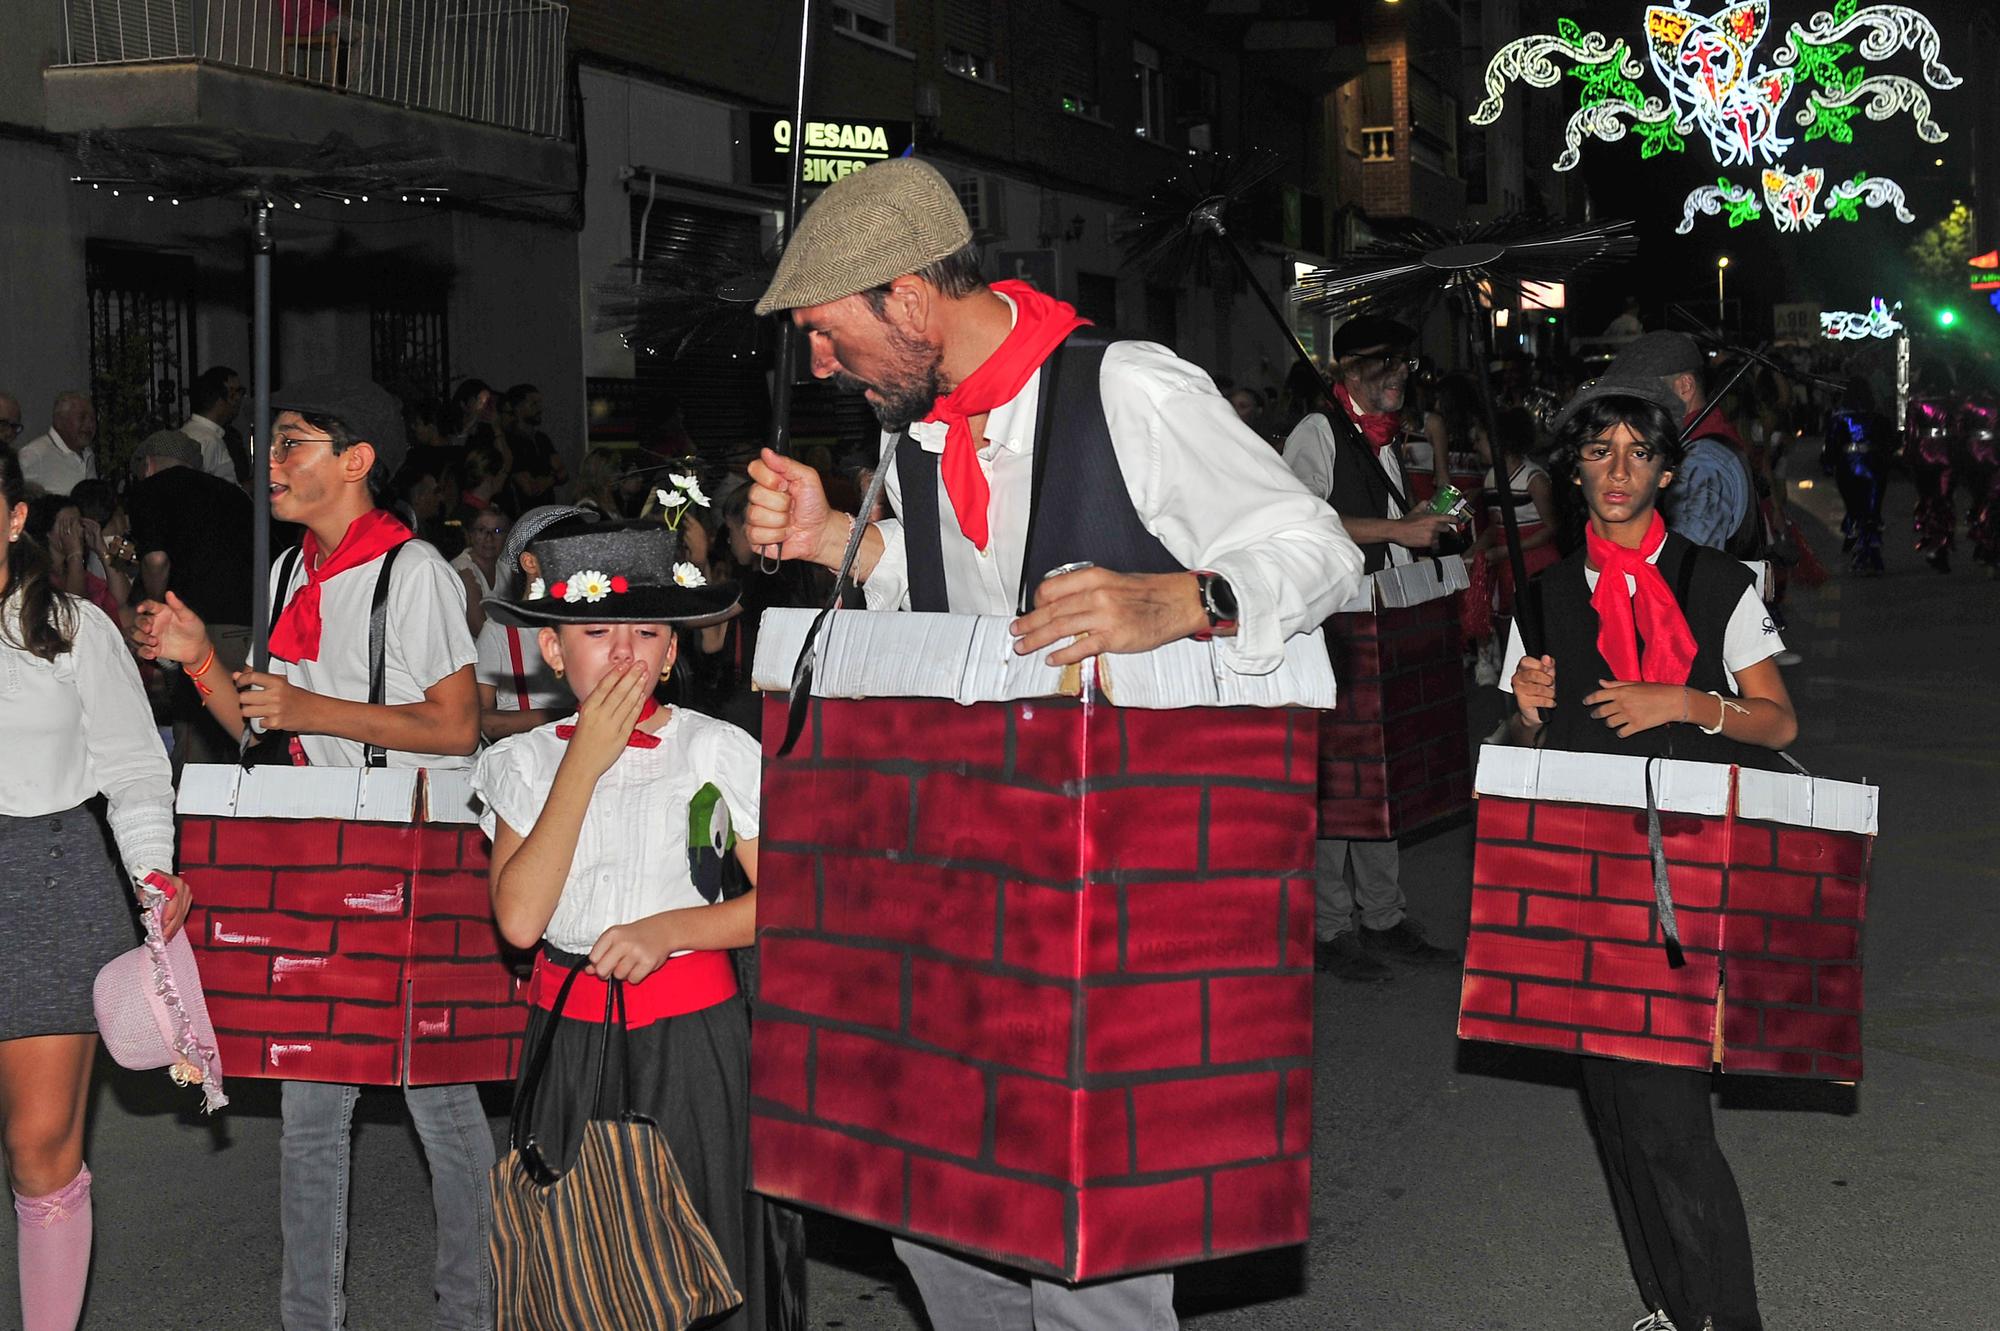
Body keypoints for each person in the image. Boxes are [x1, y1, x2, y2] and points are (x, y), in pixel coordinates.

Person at [744, 155, 1363, 1331]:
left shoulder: (1125, 386)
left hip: (1112, 901)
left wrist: (1187, 598)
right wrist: (841, 541)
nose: (818, 364)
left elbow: (1318, 547)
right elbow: (958, 622)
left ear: (910, 300)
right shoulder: (916, 439)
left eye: (826, 334)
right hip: (960, 892)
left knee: (1092, 1266)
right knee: (935, 1211)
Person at [130, 375, 491, 1331]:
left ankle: (472, 1311)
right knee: (310, 1104)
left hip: (411, 856)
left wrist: (311, 709)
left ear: (357, 459)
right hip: (326, 847)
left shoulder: (410, 572)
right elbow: (260, 730)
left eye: (292, 443)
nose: (271, 461)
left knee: (439, 1103)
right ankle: (308, 1319)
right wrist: (201, 655)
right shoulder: (296, 573)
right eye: (271, 444)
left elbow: (459, 727)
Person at [1505, 374, 1796, 1331]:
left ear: (1669, 471)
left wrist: (1681, 700)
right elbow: (1532, 749)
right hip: (1588, 875)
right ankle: (1671, 1305)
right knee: (1614, 1113)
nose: (1618, 470)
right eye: (1598, 452)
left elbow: (1777, 719)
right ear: (1573, 473)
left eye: (1638, 451)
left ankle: (1728, 1317)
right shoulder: (1543, 595)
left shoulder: (1717, 583)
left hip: (1691, 871)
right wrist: (1528, 709)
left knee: (1671, 1119)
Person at [472, 519, 771, 1327]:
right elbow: (521, 920)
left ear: (675, 652)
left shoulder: (714, 749)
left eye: (649, 631)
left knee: (700, 1259)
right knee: (580, 1265)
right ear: (552, 651)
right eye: (597, 630)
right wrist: (583, 760)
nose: (626, 652)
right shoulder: (524, 762)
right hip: (568, 1042)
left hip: (692, 1039)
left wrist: (672, 927)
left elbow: (789, 900)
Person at [0, 445, 193, 1331]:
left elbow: (132, 766)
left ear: (12, 518)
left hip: (43, 879)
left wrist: (153, 878)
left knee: (39, 1143)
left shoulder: (72, 627)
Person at [1282, 314, 1462, 983]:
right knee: (1341, 779)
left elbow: (1393, 530)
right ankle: (1331, 927)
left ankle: (1383, 914)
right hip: (1334, 625)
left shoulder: (1383, 437)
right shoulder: (1318, 431)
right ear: (1355, 373)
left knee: (1381, 772)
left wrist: (1422, 528)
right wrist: (1396, 527)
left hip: (1382, 621)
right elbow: (1300, 525)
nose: (1405, 381)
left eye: (1406, 370)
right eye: (1394, 371)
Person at [125, 428, 255, 765]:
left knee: (194, 745)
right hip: (255, 629)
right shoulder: (235, 494)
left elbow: (156, 560)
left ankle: (191, 819)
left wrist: (154, 611)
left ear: (148, 465)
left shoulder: (151, 490)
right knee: (249, 739)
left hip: (200, 632)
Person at [1612, 333, 1761, 558]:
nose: (1634, 405)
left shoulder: (1699, 464)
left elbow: (1686, 567)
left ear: (1684, 386)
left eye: (1644, 391)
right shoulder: (1689, 448)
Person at [475, 504, 591, 742]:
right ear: (530, 563)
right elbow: (483, 720)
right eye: (567, 554)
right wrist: (567, 716)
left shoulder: (587, 625)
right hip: (524, 759)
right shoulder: (500, 630)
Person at [1821, 377, 1890, 576]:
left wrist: (1828, 464)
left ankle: (1861, 555)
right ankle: (1873, 555)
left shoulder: (1839, 417)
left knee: (1856, 509)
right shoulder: (1877, 416)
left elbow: (1831, 445)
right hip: (1874, 466)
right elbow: (1888, 442)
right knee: (1872, 510)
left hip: (1848, 467)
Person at [18, 391, 97, 497]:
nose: (89, 425)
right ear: (59, 421)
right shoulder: (34, 454)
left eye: (92, 419)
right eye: (82, 417)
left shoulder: (89, 454)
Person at [180, 365, 248, 486]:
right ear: (220, 400)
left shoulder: (191, 432)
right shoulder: (208, 441)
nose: (239, 400)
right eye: (236, 393)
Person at [452, 508, 507, 637]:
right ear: (470, 535)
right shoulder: (462, 569)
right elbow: (479, 629)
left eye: (497, 531)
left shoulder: (506, 566)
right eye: (482, 530)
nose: (489, 538)